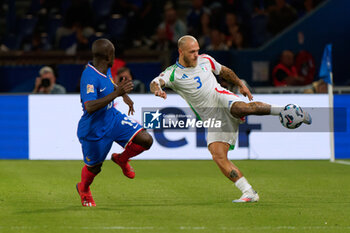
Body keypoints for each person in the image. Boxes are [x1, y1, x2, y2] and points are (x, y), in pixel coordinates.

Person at [150, 35, 311, 203]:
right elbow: (156, 81)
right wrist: (157, 89)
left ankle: (287, 110)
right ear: (180, 52)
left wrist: (241, 85)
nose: (196, 55)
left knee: (241, 107)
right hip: (211, 116)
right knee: (218, 156)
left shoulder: (205, 60)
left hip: (220, 97)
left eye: (197, 50)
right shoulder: (172, 73)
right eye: (192, 52)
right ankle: (249, 192)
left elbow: (224, 71)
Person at [76, 39, 153, 207]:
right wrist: (117, 93)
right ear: (108, 56)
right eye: (113, 53)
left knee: (146, 139)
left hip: (113, 118)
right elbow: (89, 106)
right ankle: (84, 188)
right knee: (95, 168)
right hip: (94, 128)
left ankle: (121, 159)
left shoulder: (106, 69)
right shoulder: (89, 76)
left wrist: (123, 95)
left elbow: (110, 85)